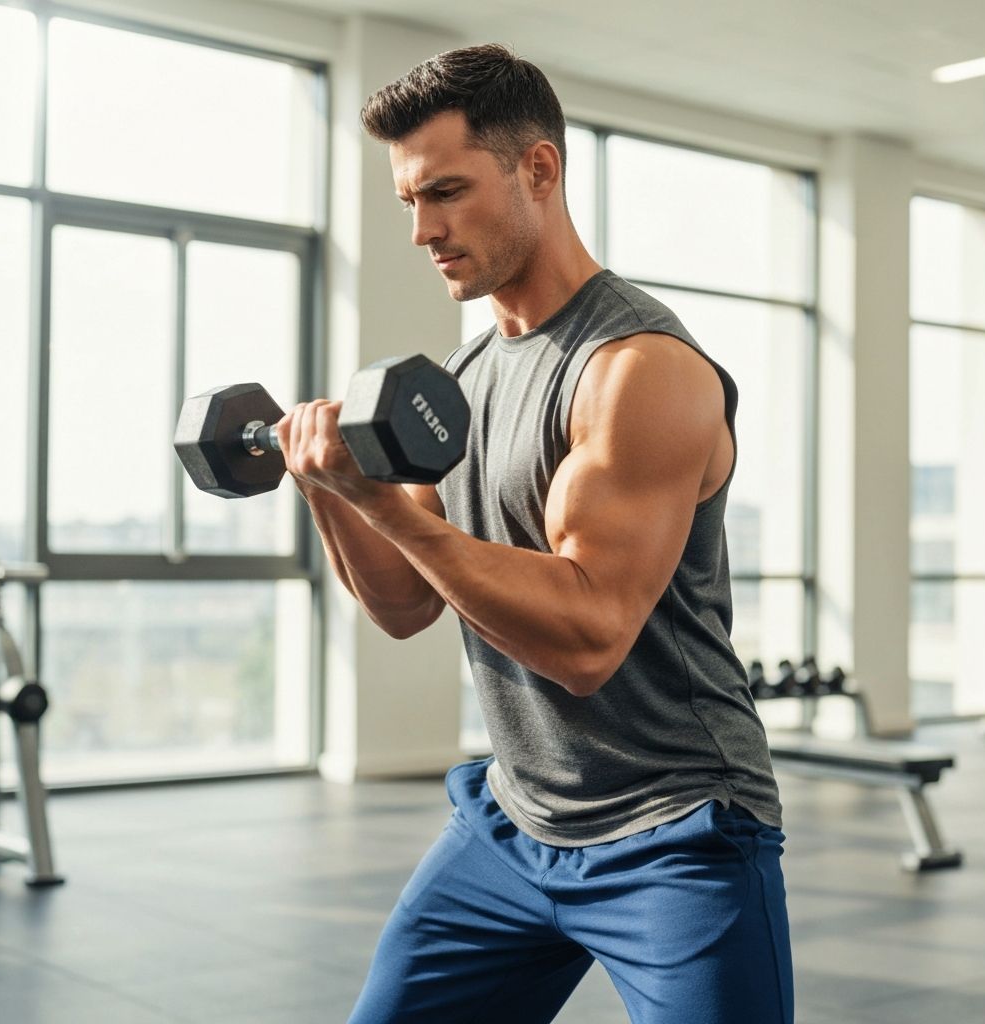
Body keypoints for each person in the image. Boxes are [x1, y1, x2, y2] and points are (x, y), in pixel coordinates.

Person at [276, 43, 793, 1024]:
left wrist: (383, 502)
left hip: (674, 828)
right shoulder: (463, 380)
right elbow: (403, 606)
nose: (423, 229)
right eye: (408, 203)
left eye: (447, 193)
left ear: (539, 170)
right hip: (513, 823)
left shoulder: (638, 369)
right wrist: (328, 486)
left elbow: (589, 637)